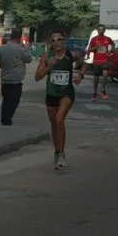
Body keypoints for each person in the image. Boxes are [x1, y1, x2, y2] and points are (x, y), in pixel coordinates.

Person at [34, 30, 84, 170]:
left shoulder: (70, 55)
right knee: (54, 125)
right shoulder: (46, 56)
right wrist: (49, 66)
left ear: (64, 41)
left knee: (59, 119)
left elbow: (84, 64)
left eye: (60, 39)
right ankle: (57, 151)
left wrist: (80, 75)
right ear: (50, 43)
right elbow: (37, 77)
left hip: (66, 93)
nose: (57, 42)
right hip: (52, 93)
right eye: (54, 40)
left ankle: (61, 154)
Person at [0, 28, 32, 125]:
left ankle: (5, 121)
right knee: (13, 103)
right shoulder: (20, 49)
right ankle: (6, 121)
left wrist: (0, 64)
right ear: (20, 37)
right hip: (16, 82)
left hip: (5, 81)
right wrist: (24, 47)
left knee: (6, 102)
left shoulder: (2, 48)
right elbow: (29, 59)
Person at [87, 25, 115, 102]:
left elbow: (112, 45)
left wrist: (110, 51)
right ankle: (95, 92)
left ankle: (102, 89)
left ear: (104, 30)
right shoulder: (94, 39)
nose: (101, 31)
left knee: (105, 74)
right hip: (96, 61)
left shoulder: (107, 39)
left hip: (105, 60)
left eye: (102, 29)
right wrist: (96, 47)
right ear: (97, 30)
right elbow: (89, 49)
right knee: (96, 77)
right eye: (99, 29)